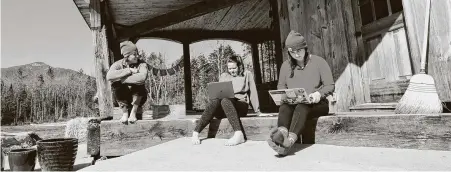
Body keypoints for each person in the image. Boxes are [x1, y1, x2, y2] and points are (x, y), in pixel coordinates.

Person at [268, 30, 335, 155]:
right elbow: (281, 86)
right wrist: (283, 96)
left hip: (317, 103)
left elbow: (330, 85)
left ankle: (288, 142)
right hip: (294, 104)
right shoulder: (285, 66)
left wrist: (318, 94)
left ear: (305, 48)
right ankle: (281, 134)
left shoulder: (319, 62)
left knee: (302, 105)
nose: (296, 55)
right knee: (285, 106)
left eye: (299, 50)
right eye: (292, 52)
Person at [191, 55, 266, 146]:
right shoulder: (224, 76)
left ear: (240, 66)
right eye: (229, 68)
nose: (232, 71)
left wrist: (257, 111)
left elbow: (253, 93)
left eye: (234, 68)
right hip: (225, 106)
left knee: (225, 100)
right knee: (216, 101)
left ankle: (239, 134)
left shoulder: (247, 74)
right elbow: (218, 92)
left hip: (240, 105)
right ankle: (196, 132)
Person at [106, 41, 148, 124]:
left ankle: (133, 113)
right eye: (134, 54)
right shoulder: (117, 64)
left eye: (137, 53)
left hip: (138, 97)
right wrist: (129, 70)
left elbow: (142, 77)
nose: (137, 56)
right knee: (115, 84)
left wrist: (122, 79)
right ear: (127, 56)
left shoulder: (142, 64)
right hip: (122, 98)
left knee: (139, 83)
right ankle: (125, 113)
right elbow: (109, 76)